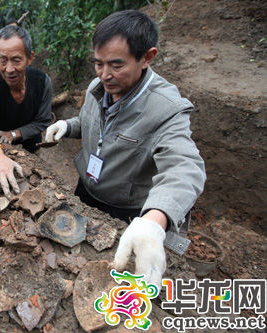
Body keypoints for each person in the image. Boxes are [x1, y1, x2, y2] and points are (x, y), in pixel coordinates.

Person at [45, 10, 206, 289]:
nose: (105, 74)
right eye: (98, 63)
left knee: (113, 282)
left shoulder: (167, 109)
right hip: (85, 192)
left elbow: (184, 167)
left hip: (127, 214)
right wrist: (68, 126)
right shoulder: (99, 86)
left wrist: (154, 222)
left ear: (147, 57)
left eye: (116, 65)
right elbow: (93, 124)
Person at [0, 25, 52, 197]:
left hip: (31, 146)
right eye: (3, 60)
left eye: (16, 60)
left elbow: (42, 121)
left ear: (29, 58)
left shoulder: (42, 82)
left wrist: (14, 134)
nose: (9, 69)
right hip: (0, 149)